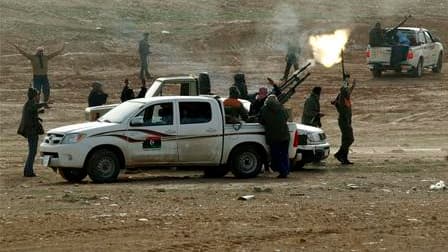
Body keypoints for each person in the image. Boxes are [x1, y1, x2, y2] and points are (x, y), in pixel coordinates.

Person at [17, 88, 46, 177]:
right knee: (32, 152)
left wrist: (39, 111)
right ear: (34, 96)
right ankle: (28, 172)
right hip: (31, 132)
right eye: (37, 95)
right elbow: (32, 108)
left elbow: (32, 110)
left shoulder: (29, 104)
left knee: (32, 152)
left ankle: (28, 170)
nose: (38, 96)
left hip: (31, 131)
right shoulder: (30, 104)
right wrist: (44, 104)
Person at [259, 95, 290, 178]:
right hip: (285, 135)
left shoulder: (264, 109)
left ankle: (282, 171)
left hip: (273, 136)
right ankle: (286, 171)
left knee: (276, 155)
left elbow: (261, 121)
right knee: (284, 154)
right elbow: (287, 117)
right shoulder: (281, 107)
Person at [332, 77, 356, 165]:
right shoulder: (342, 99)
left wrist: (352, 85)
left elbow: (348, 91)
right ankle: (339, 154)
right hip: (344, 121)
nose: (349, 92)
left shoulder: (346, 97)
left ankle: (344, 158)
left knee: (345, 140)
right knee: (350, 139)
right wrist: (345, 83)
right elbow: (344, 91)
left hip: (347, 121)